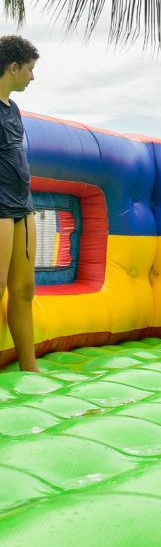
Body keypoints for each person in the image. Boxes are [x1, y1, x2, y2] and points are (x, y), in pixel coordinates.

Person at [0, 35, 40, 372]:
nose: (31, 76)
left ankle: (30, 368)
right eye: (29, 69)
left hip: (21, 207)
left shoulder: (13, 109)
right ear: (13, 67)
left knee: (24, 289)